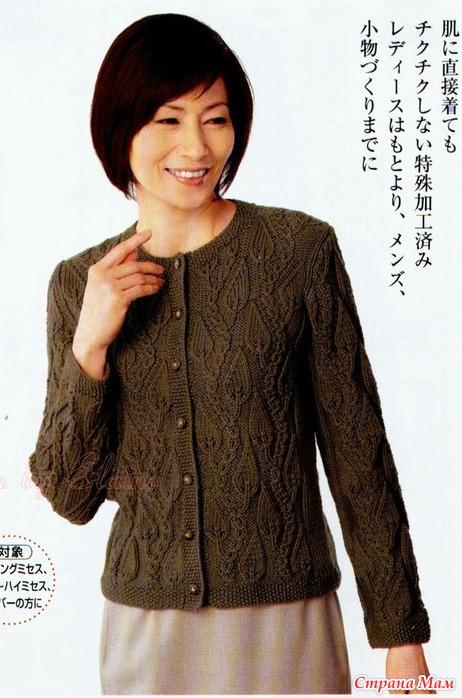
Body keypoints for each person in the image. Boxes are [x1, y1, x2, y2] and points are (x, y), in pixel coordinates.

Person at [30, 13, 433, 695]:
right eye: (168, 119)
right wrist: (90, 344)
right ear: (120, 128)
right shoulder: (80, 284)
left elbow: (357, 451)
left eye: (215, 119)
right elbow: (70, 496)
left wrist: (402, 639)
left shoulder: (297, 252)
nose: (196, 145)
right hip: (146, 628)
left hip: (288, 618)